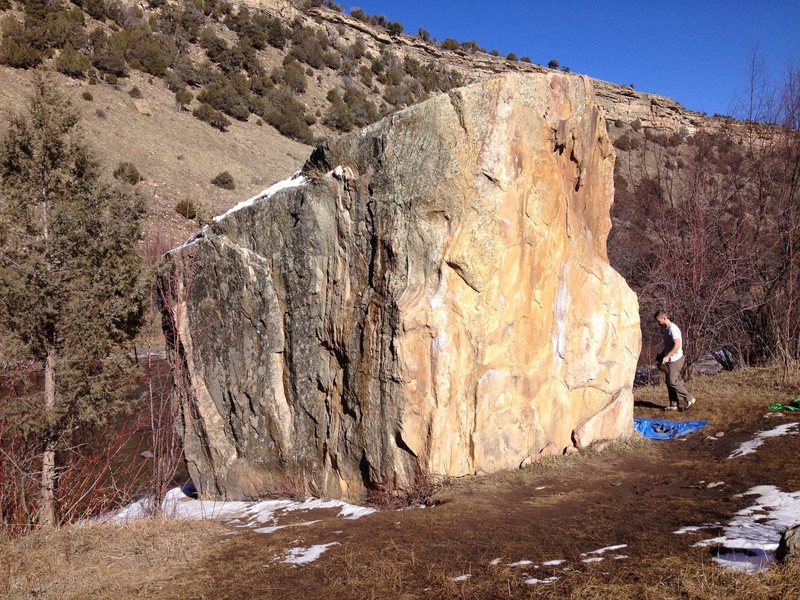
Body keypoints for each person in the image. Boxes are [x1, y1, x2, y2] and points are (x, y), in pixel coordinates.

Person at [654, 310, 696, 411]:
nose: (657, 323)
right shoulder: (665, 329)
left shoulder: (673, 329)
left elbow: (677, 344)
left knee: (672, 381)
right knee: (668, 382)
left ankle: (689, 398)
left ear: (664, 318)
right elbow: (669, 345)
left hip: (676, 359)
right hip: (670, 358)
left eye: (658, 321)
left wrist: (668, 356)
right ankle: (674, 404)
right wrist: (663, 354)